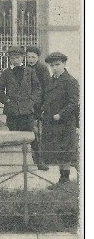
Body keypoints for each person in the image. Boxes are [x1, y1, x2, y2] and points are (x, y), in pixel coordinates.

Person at [0, 46, 43, 167]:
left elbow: (37, 88)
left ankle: (39, 162)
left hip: (27, 111)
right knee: (13, 137)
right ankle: (17, 163)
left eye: (17, 57)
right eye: (12, 58)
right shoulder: (6, 73)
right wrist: (6, 100)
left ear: (22, 57)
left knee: (32, 137)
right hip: (12, 112)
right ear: (9, 59)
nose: (15, 60)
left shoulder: (29, 71)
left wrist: (32, 101)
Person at [40, 52, 80, 185]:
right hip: (53, 123)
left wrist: (60, 115)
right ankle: (63, 180)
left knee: (67, 153)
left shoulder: (70, 81)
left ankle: (68, 180)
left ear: (64, 64)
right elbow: (47, 99)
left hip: (65, 123)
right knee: (58, 152)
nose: (55, 68)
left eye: (57, 64)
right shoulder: (52, 80)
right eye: (52, 65)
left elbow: (74, 103)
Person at [26, 45, 51, 168]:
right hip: (28, 106)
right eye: (28, 57)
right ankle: (35, 160)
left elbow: (46, 88)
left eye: (33, 57)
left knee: (39, 134)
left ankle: (42, 161)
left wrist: (43, 106)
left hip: (39, 107)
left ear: (38, 57)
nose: (30, 59)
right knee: (32, 134)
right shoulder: (25, 69)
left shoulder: (42, 69)